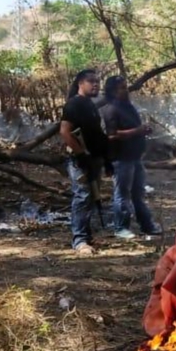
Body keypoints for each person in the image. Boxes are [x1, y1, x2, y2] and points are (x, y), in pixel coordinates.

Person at [99, 76, 159, 240]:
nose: (126, 90)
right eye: (122, 88)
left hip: (135, 157)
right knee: (122, 194)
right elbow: (112, 135)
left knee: (138, 193)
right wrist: (138, 131)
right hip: (121, 158)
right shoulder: (110, 109)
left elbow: (135, 128)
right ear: (112, 91)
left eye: (126, 87)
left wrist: (143, 130)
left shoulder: (128, 106)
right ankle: (121, 227)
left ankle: (147, 226)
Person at [60, 69, 108, 254]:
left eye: (97, 81)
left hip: (94, 157)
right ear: (81, 83)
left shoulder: (89, 104)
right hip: (79, 159)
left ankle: (86, 237)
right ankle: (79, 241)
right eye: (91, 81)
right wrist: (81, 155)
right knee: (82, 196)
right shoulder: (74, 104)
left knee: (91, 198)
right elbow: (65, 132)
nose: (95, 84)